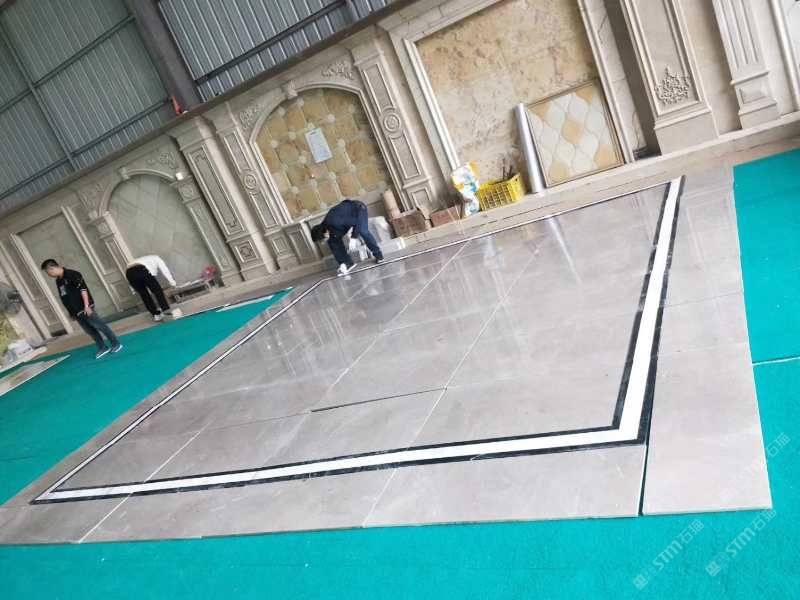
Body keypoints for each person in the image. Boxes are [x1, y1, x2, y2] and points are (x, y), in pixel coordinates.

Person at [40, 259, 122, 359]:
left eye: (47, 272)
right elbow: (65, 296)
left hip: (84, 307)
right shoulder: (58, 280)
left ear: (52, 268)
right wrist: (71, 312)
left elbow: (83, 290)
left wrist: (87, 306)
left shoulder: (72, 274)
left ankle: (116, 344)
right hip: (75, 311)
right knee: (90, 331)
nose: (48, 274)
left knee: (100, 326)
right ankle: (102, 347)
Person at [310, 199, 383, 276]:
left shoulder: (335, 222)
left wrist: (353, 237)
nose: (322, 243)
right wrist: (342, 263)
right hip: (347, 217)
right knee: (334, 242)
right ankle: (348, 263)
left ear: (324, 234)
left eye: (321, 241)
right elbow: (335, 249)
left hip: (358, 209)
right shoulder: (327, 230)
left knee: (363, 230)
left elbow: (357, 222)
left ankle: (379, 255)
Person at [125, 255, 181, 322]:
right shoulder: (157, 258)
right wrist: (173, 283)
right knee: (157, 291)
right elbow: (165, 270)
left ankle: (156, 315)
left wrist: (133, 290)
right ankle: (166, 311)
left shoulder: (144, 259)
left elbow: (130, 271)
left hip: (129, 274)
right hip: (141, 269)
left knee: (144, 295)